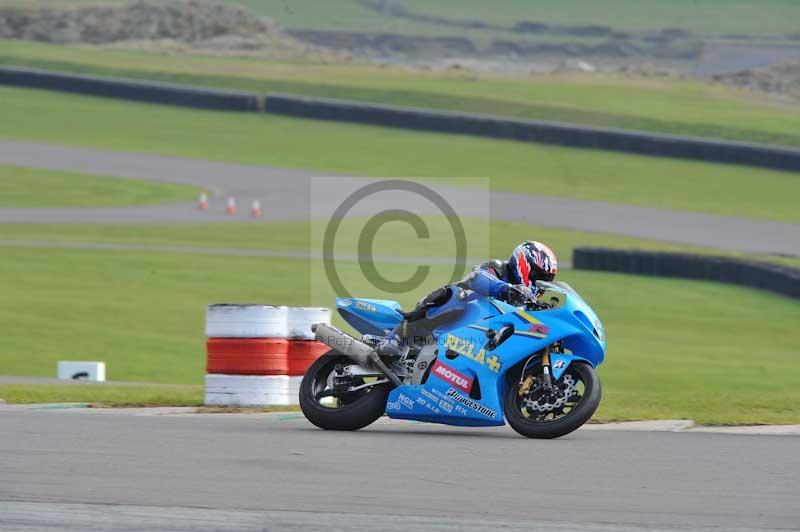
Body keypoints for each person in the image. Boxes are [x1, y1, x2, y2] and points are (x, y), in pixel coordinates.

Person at [377, 240, 558, 356]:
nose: (537, 283)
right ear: (524, 264)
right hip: (449, 317)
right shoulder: (498, 268)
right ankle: (398, 336)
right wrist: (506, 289)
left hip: (474, 343)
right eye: (537, 275)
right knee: (458, 295)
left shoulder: (526, 301)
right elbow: (476, 278)